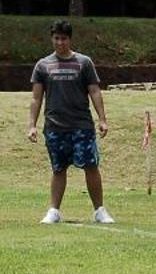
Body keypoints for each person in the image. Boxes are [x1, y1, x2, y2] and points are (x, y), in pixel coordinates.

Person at [27, 20, 112, 225]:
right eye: (56, 38)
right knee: (58, 169)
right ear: (52, 39)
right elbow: (36, 98)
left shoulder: (84, 63)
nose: (60, 43)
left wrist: (102, 119)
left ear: (70, 39)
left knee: (91, 166)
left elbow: (94, 91)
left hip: (81, 125)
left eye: (63, 38)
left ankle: (99, 210)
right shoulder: (43, 65)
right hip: (55, 126)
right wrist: (32, 125)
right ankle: (54, 211)